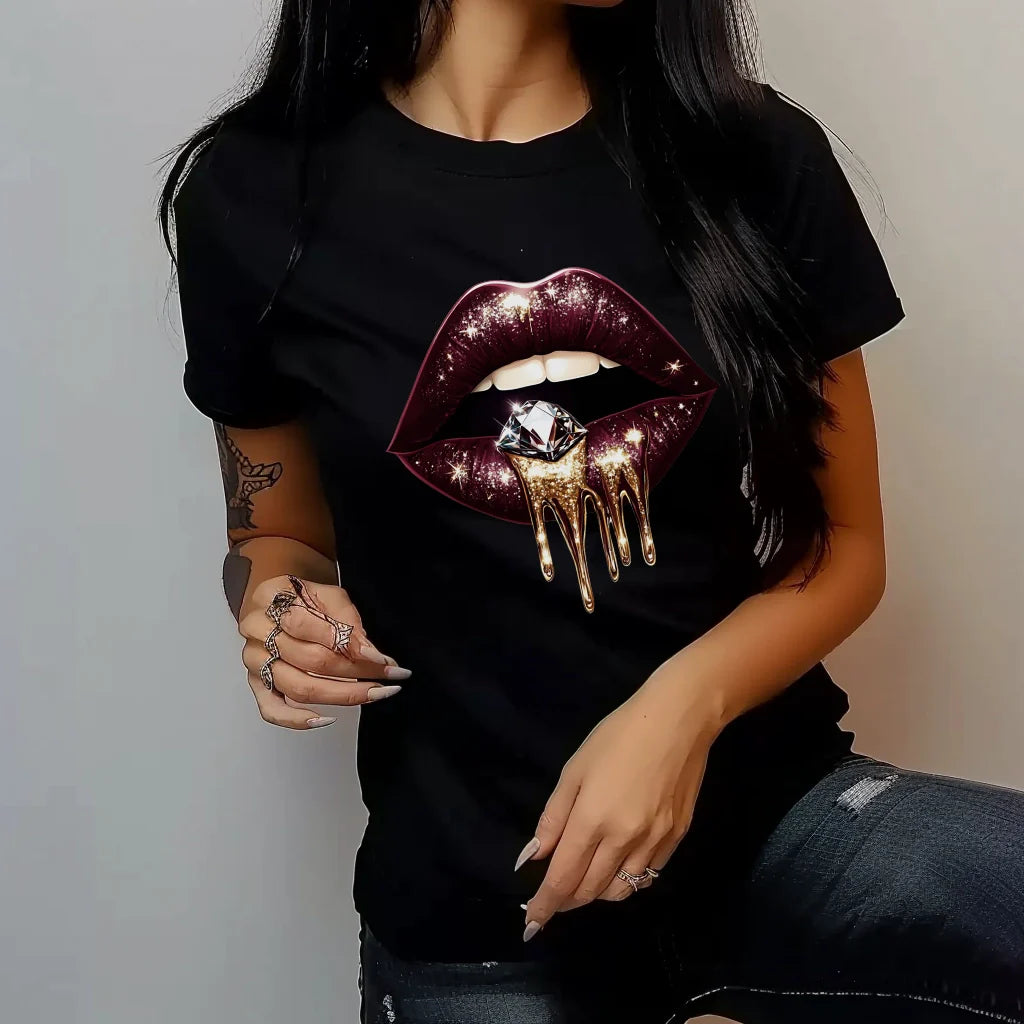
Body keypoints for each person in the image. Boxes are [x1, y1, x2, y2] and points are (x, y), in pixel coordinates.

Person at [160, 1, 1024, 1021]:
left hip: (776, 829)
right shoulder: (256, 193)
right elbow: (271, 532)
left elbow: (845, 548)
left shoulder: (750, 155)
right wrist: (276, 601)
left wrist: (676, 713)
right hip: (490, 918)